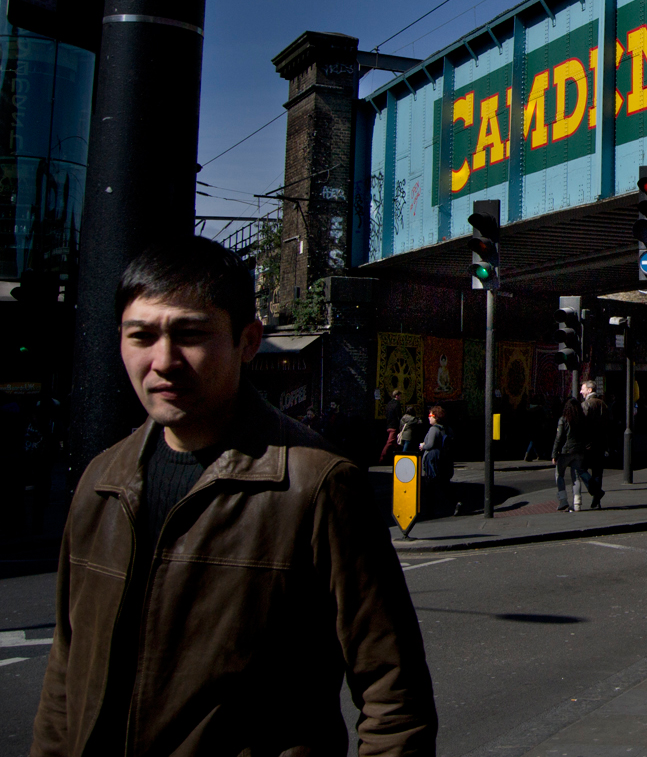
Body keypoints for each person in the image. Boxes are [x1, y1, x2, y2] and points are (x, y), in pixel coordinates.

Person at [31, 237, 436, 755]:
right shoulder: (100, 481)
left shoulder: (315, 484)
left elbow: (393, 696)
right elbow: (65, 676)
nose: (163, 361)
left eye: (190, 334)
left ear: (247, 342)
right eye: (141, 336)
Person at [551, 397, 587, 512]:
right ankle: (577, 503)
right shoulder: (582, 419)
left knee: (559, 474)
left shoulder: (563, 419)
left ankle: (563, 500)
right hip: (579, 451)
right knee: (576, 477)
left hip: (565, 451)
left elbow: (558, 438)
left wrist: (554, 454)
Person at [420, 404, 456, 516]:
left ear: (436, 417)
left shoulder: (433, 429)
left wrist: (423, 446)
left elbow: (430, 444)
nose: (428, 417)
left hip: (432, 463)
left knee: (429, 487)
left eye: (431, 415)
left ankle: (429, 511)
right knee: (444, 485)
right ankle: (455, 503)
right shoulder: (446, 429)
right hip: (443, 461)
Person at [578, 379, 608, 509]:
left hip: (588, 444)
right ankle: (597, 500)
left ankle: (596, 491)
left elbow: (582, 425)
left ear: (589, 390)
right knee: (597, 471)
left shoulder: (586, 405)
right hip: (601, 443)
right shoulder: (604, 404)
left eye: (583, 389)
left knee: (581, 468)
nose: (581, 391)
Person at [380, 388, 404, 463]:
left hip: (388, 425)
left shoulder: (389, 404)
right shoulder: (397, 404)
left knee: (395, 444)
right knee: (390, 442)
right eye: (399, 396)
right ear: (397, 396)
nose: (400, 397)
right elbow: (399, 416)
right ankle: (382, 458)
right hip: (394, 426)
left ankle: (397, 458)